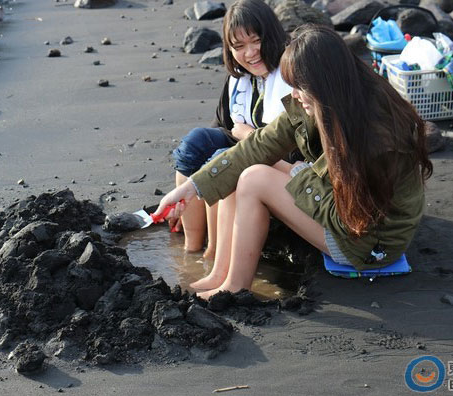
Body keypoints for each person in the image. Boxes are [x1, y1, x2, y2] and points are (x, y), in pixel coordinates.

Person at [157, 25, 433, 299]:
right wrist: (192, 187)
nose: (295, 96)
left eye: (299, 87)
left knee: (255, 179)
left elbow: (347, 218)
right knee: (245, 166)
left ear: (324, 82)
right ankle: (219, 275)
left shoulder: (376, 136)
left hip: (369, 244)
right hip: (342, 211)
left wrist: (295, 170)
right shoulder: (331, 100)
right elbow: (258, 144)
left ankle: (234, 287)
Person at [171, 0, 292, 259]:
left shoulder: (292, 75)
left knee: (219, 160)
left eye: (256, 41)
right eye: (239, 46)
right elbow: (223, 127)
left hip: (282, 165)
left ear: (272, 35)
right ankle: (190, 247)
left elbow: (293, 146)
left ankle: (214, 254)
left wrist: (245, 135)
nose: (249, 53)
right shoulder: (239, 78)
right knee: (195, 143)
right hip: (245, 148)